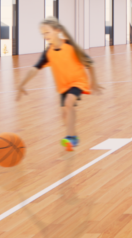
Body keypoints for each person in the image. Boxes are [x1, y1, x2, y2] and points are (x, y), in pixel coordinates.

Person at [17, 18, 103, 151]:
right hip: (62, 86)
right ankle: (73, 135)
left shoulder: (70, 46)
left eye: (47, 32)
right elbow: (34, 69)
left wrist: (94, 82)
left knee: (69, 103)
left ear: (57, 31)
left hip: (78, 81)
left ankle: (69, 137)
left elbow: (89, 64)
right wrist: (21, 84)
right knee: (66, 112)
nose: (45, 36)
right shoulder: (48, 52)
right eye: (43, 34)